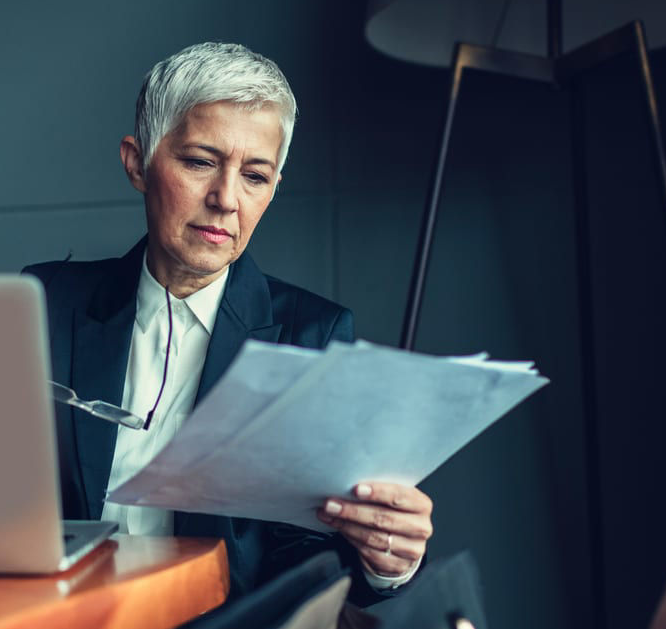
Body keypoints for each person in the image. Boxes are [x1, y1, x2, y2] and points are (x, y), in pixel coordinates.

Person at [22, 42, 433, 604]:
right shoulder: (44, 303)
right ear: (137, 163)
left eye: (255, 176)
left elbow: (300, 551)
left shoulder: (312, 333)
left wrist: (385, 561)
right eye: (199, 162)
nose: (226, 200)